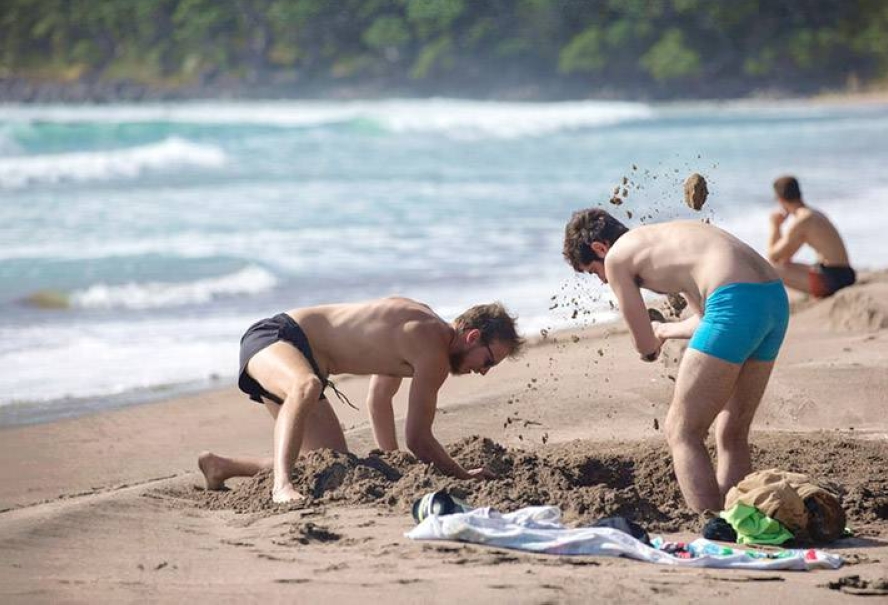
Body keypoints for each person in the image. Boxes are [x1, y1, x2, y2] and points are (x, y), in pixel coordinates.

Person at [563, 209, 788, 514]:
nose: (603, 280)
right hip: (774, 299)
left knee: (681, 430)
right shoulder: (665, 239)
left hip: (733, 301)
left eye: (594, 271)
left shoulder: (616, 258)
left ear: (600, 248)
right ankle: (739, 518)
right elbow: (704, 320)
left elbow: (643, 346)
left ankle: (713, 524)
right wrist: (664, 330)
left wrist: (650, 342)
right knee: (731, 432)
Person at [198, 298, 524, 503]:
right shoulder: (431, 346)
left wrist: (393, 461)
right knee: (306, 385)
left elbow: (379, 399)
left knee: (330, 462)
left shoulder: (420, 335)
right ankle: (281, 487)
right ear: (472, 337)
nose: (484, 372)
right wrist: (463, 475)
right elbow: (419, 439)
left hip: (301, 358)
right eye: (488, 361)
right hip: (276, 338)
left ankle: (221, 467)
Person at [768, 175, 856, 298]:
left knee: (771, 268)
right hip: (844, 273)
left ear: (780, 199)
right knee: (780, 265)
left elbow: (773, 256)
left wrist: (775, 226)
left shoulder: (803, 220)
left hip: (833, 280)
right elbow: (785, 257)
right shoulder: (813, 214)